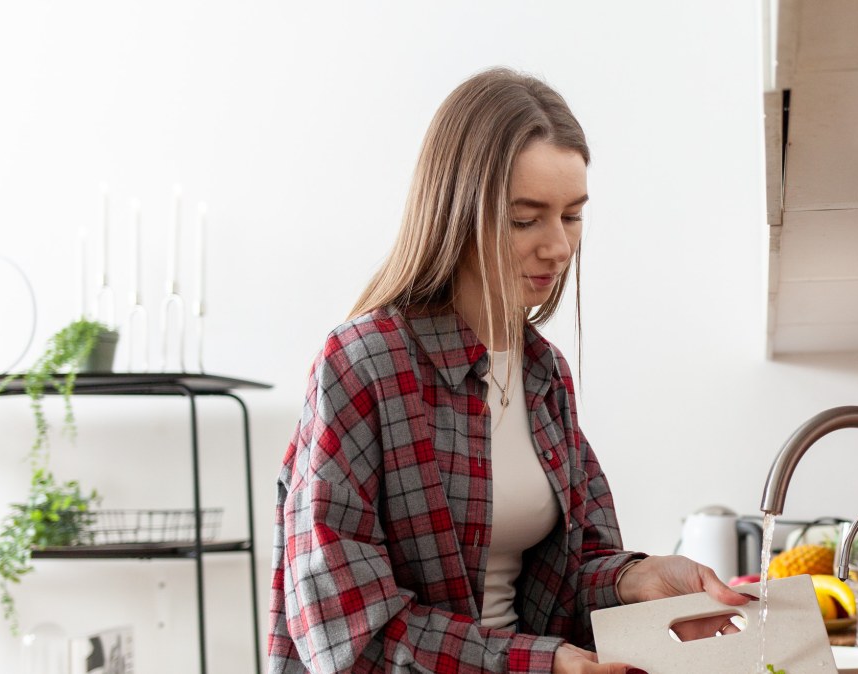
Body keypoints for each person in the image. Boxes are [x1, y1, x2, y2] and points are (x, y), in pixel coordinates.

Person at [267, 67, 748, 674]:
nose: (559, 246)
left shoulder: (545, 374)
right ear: (455, 212)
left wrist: (636, 580)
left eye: (572, 215)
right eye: (527, 220)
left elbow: (565, 579)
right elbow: (344, 631)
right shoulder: (363, 365)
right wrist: (537, 665)